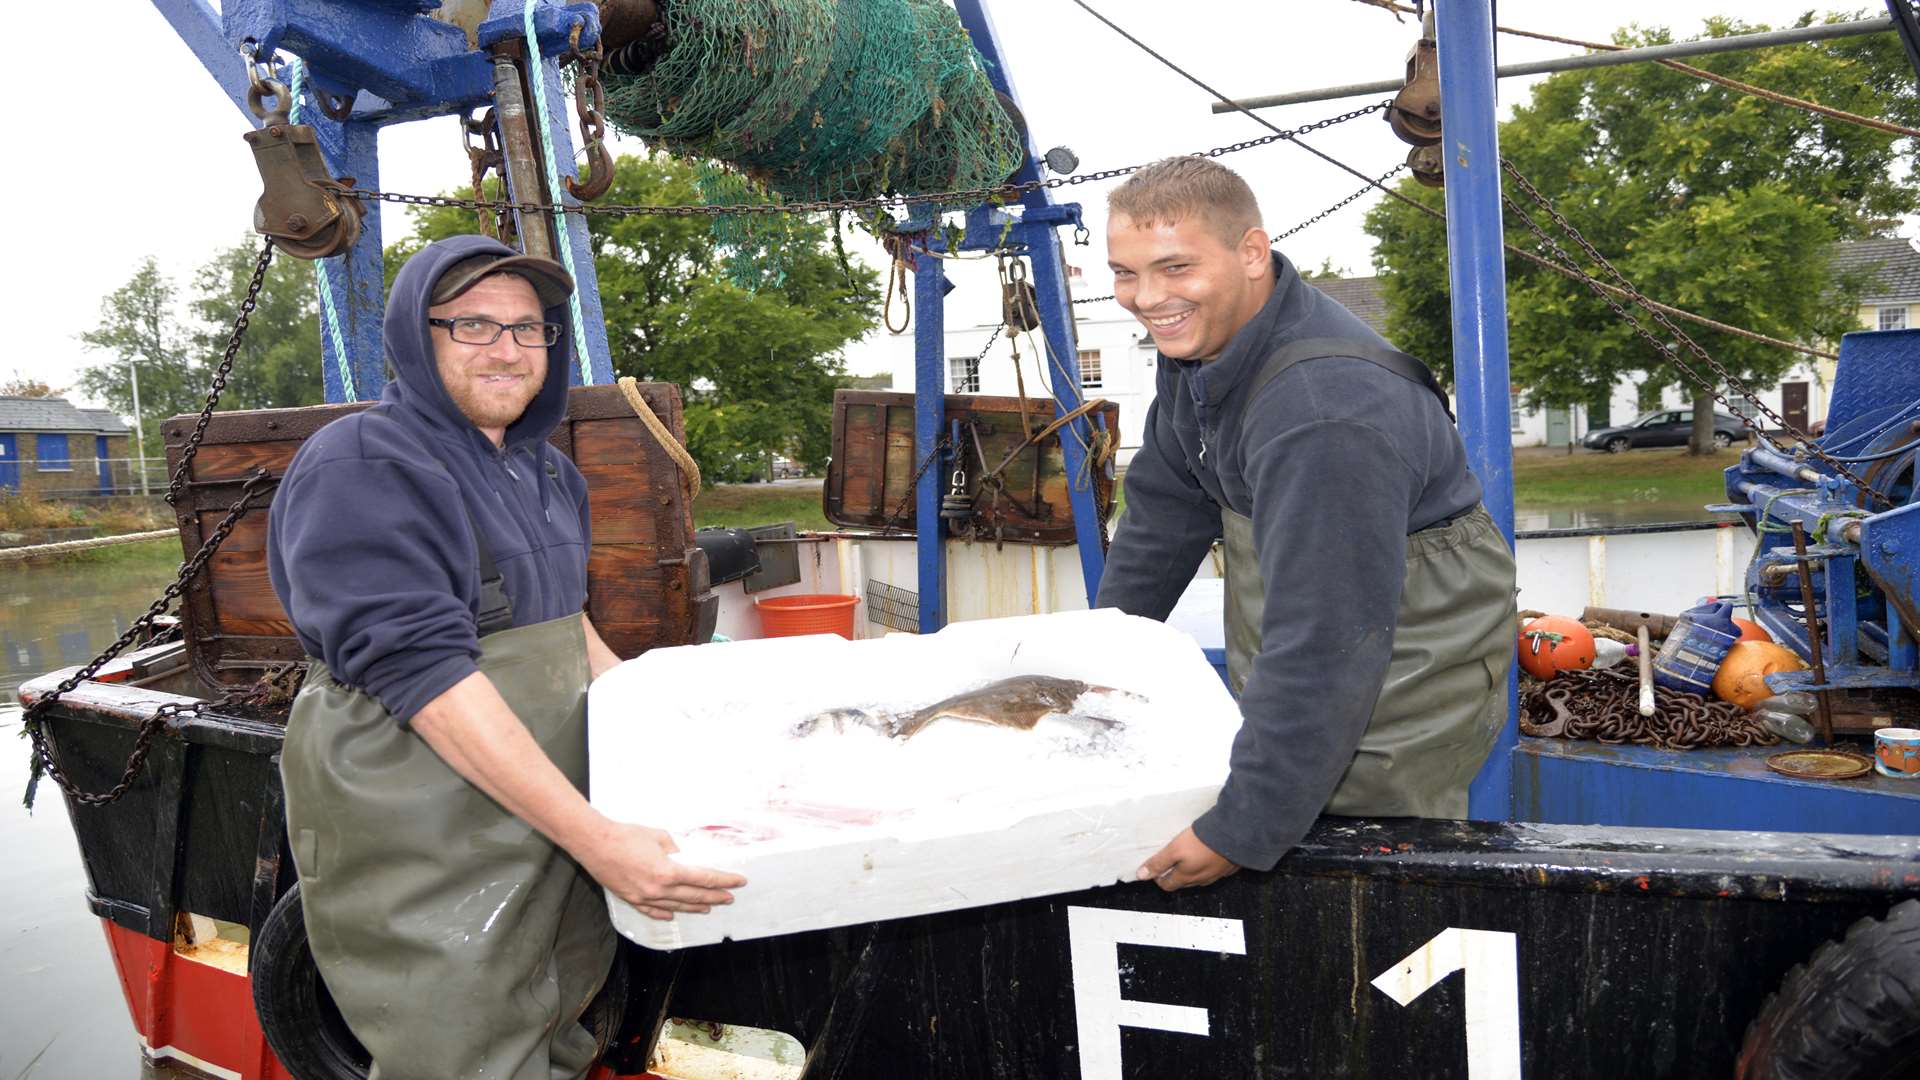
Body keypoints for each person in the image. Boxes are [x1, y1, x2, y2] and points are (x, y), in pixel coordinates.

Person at [267, 234, 745, 1078]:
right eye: (474, 326)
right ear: (420, 336)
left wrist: (676, 731)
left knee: (558, 1020)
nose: (507, 349)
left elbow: (571, 632)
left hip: (541, 824)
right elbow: (432, 684)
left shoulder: (550, 476)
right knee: (459, 1049)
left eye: (528, 329)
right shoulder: (364, 465)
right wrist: (597, 840)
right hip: (429, 836)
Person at [1094, 157, 1516, 892]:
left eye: (1175, 267)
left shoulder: (1323, 411)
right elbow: (1162, 515)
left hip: (1405, 646)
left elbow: (1327, 639)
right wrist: (1096, 667)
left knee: (1363, 853)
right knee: (1293, 784)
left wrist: (1243, 828)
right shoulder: (1202, 351)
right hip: (1315, 612)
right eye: (1126, 273)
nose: (1148, 297)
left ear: (1252, 253)